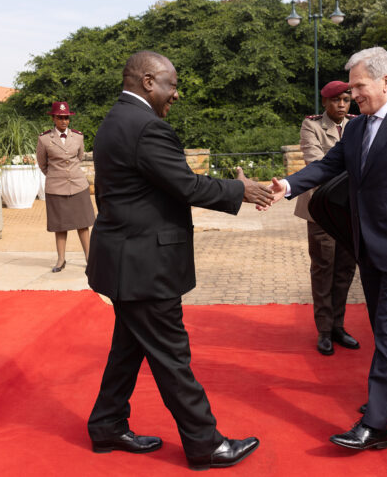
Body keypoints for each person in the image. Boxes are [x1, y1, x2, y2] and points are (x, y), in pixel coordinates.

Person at [85, 51, 270, 470]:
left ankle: (107, 425)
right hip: (145, 266)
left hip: (125, 262)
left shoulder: (115, 119)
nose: (177, 92)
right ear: (149, 81)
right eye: (172, 84)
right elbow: (186, 185)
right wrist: (240, 190)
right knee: (172, 355)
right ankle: (205, 444)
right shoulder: (146, 127)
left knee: (128, 349)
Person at [270, 46, 387, 450]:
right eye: (352, 86)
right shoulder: (356, 128)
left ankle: (375, 426)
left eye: (358, 85)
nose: (352, 93)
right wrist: (287, 186)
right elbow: (328, 166)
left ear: (385, 81)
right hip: (366, 246)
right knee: (381, 323)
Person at [293, 80, 358, 356]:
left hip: (351, 211)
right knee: (323, 270)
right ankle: (324, 331)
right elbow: (317, 164)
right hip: (321, 209)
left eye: (346, 100)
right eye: (336, 101)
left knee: (344, 270)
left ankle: (338, 327)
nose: (342, 105)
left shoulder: (358, 123)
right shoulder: (312, 125)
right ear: (326, 103)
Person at [36, 101, 95, 272]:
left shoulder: (78, 137)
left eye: (66, 118)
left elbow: (80, 156)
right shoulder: (44, 139)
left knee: (83, 224)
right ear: (53, 118)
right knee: (59, 225)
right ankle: (61, 259)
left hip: (78, 185)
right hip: (56, 187)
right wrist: (56, 176)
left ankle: (89, 258)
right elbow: (42, 163)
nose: (64, 121)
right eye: (60, 118)